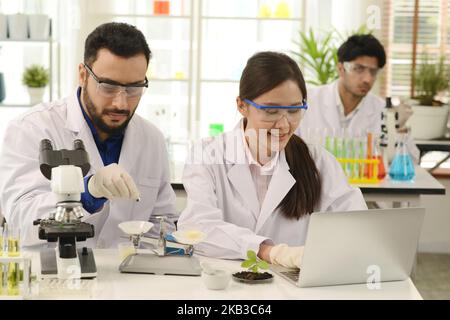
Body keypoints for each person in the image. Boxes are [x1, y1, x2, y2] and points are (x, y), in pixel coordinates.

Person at [177, 51, 367, 268]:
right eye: (271, 111)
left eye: (294, 110)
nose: (284, 125)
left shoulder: (319, 162)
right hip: (223, 288)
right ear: (242, 106)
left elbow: (357, 225)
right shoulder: (208, 156)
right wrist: (269, 251)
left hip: (293, 290)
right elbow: (197, 226)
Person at [0, 22, 176, 248]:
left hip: (130, 277)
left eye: (133, 88)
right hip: (54, 276)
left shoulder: (152, 139)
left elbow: (164, 223)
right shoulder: (30, 129)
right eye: (108, 86)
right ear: (83, 75)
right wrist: (85, 192)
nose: (121, 103)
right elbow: (20, 222)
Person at [295, 34, 419, 161]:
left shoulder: (382, 110)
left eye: (373, 72)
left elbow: (412, 161)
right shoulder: (307, 102)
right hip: (314, 180)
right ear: (341, 68)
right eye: (359, 69)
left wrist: (399, 127)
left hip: (364, 181)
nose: (368, 79)